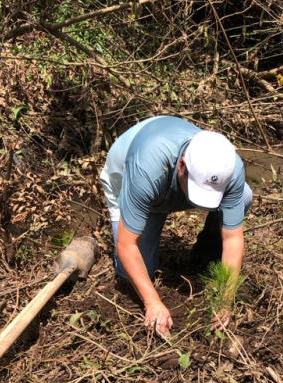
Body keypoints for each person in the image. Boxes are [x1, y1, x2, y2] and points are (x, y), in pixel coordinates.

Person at [99, 116, 252, 335]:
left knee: (243, 196)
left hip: (168, 181)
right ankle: (149, 217)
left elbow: (233, 237)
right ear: (182, 166)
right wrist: (152, 302)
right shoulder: (146, 168)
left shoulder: (229, 166)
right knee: (130, 274)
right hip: (127, 175)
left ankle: (205, 257)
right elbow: (126, 244)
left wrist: (225, 299)